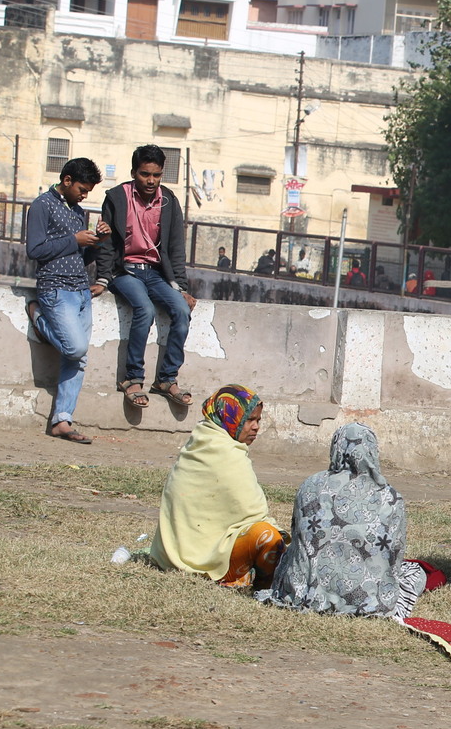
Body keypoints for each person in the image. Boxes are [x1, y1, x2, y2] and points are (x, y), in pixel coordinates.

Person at [266, 423, 428, 618]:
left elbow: (299, 541)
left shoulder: (309, 486)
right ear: (372, 450)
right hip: (369, 601)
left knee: (287, 556)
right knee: (415, 573)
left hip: (305, 594)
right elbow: (394, 558)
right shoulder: (390, 497)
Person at [149, 385, 286, 590]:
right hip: (211, 560)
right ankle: (261, 587)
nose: (256, 427)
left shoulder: (198, 444)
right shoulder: (226, 455)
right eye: (250, 420)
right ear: (229, 418)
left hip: (172, 556)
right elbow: (254, 513)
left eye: (258, 420)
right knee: (269, 538)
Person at [93, 143, 198, 411]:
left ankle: (166, 379)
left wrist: (181, 288)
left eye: (156, 175)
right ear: (133, 172)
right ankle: (132, 378)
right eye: (144, 174)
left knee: (181, 310)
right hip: (125, 271)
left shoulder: (169, 200)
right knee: (144, 309)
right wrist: (103, 279)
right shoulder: (116, 197)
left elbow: (175, 248)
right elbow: (106, 242)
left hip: (156, 274)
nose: (151, 181)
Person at [26, 157, 106, 444]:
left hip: (80, 290)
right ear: (67, 180)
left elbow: (80, 259)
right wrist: (75, 240)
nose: (84, 195)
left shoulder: (77, 211)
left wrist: (97, 241)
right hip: (55, 290)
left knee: (79, 358)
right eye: (82, 189)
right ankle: (38, 319)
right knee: (74, 349)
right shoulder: (41, 205)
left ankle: (62, 419)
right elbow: (35, 249)